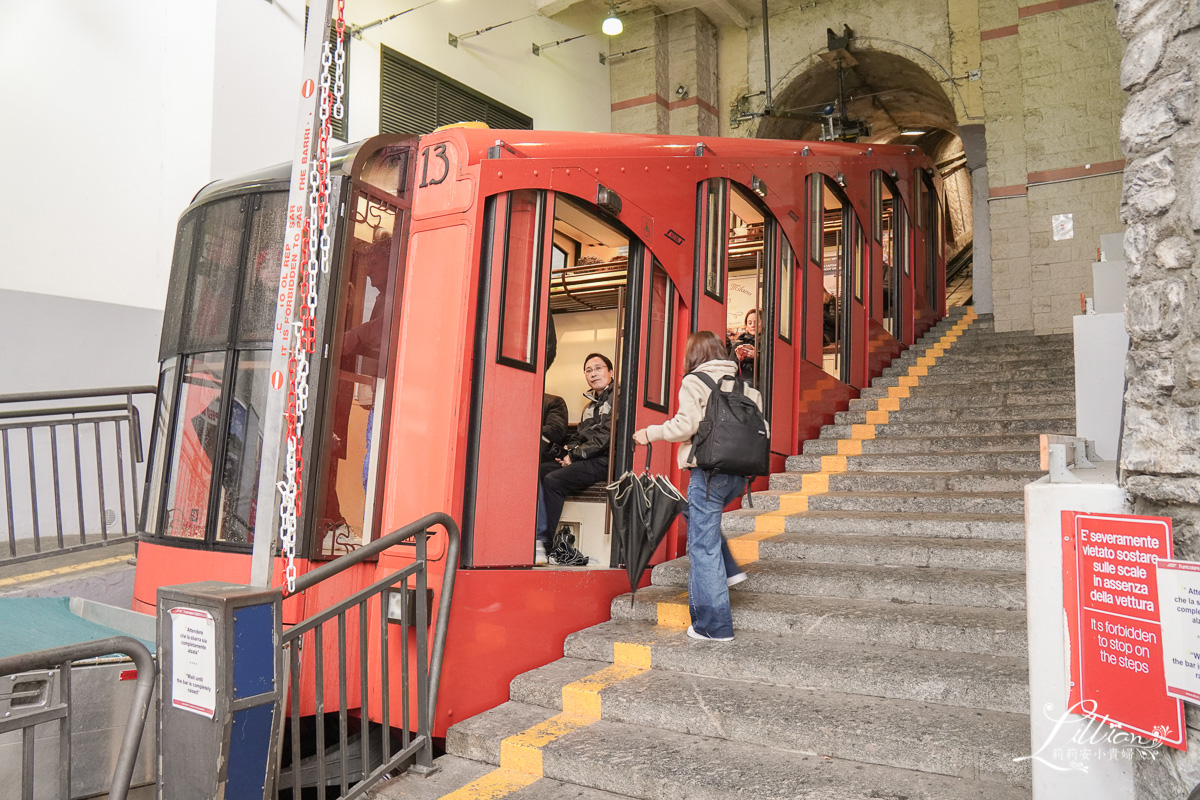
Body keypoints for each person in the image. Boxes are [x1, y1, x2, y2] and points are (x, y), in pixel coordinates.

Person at [632, 331, 767, 642]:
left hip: (707, 474)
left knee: (702, 549)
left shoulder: (696, 381)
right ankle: (730, 569)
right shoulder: (748, 388)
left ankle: (713, 626)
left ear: (693, 355)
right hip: (738, 477)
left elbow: (686, 426)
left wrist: (649, 433)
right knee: (696, 517)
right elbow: (764, 430)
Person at [535, 353, 615, 564]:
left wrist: (575, 455)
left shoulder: (619, 398)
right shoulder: (589, 406)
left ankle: (545, 545)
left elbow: (605, 438)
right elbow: (579, 436)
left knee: (553, 481)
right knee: (538, 470)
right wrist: (567, 453)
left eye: (598, 368)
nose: (593, 373)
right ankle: (530, 539)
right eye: (588, 370)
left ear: (611, 372)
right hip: (584, 458)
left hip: (605, 460)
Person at [728, 308, 761, 385]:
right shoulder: (738, 344)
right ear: (746, 326)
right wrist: (739, 359)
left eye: (756, 322)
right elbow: (729, 367)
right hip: (739, 383)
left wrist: (757, 357)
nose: (753, 325)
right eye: (750, 323)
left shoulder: (768, 344)